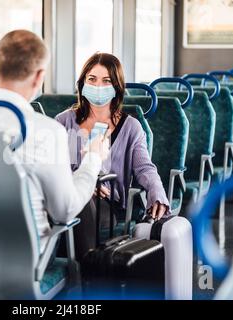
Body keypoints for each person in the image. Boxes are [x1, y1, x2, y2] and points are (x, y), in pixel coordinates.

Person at [0, 30, 109, 254]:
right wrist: (93, 158)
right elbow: (65, 210)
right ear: (39, 77)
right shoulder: (46, 131)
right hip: (23, 260)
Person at [55, 52, 170, 260]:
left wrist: (157, 194)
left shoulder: (131, 127)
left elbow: (144, 168)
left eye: (106, 81)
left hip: (107, 204)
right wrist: (83, 180)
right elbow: (53, 167)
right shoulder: (63, 121)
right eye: (92, 79)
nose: (98, 86)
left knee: (83, 203)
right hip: (64, 195)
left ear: (116, 87)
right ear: (82, 84)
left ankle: (85, 274)